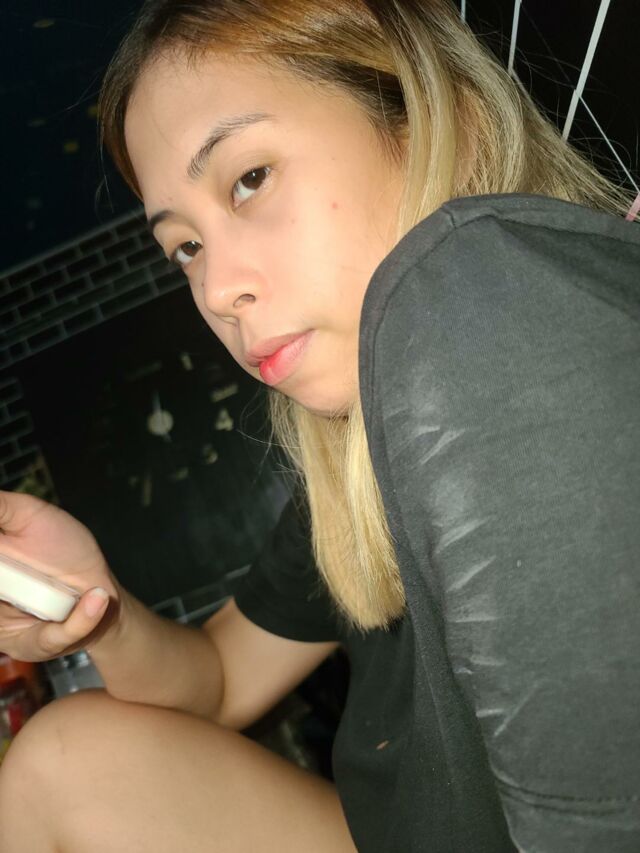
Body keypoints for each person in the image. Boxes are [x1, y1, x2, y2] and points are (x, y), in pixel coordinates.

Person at [0, 1, 638, 850]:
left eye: (249, 179)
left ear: (431, 113)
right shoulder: (355, 460)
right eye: (184, 247)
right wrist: (96, 604)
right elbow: (219, 681)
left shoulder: (497, 298)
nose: (216, 290)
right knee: (62, 758)